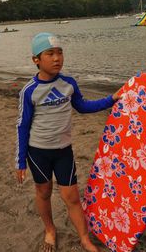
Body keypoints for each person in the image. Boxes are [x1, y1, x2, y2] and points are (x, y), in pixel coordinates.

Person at [15, 32, 120, 252]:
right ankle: (50, 230)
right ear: (36, 60)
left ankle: (84, 238)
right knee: (43, 192)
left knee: (71, 196)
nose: (57, 58)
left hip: (64, 151)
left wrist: (111, 100)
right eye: (50, 53)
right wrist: (21, 161)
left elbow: (82, 106)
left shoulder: (68, 84)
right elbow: (22, 126)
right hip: (38, 152)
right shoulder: (29, 91)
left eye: (60, 53)